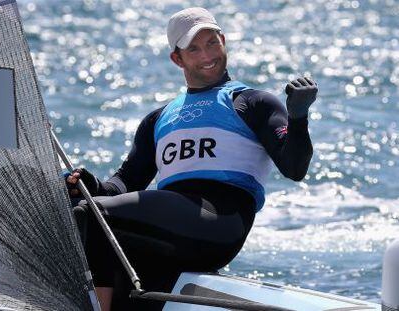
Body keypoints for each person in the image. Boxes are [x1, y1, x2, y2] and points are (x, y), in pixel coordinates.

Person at [66, 7, 317, 311]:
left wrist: (299, 116)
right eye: (194, 48)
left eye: (212, 42)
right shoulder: (158, 119)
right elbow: (126, 181)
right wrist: (92, 185)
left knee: (90, 216)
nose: (207, 54)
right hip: (170, 231)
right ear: (177, 58)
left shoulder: (252, 102)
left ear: (223, 40)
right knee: (88, 220)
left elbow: (294, 168)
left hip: (221, 222)